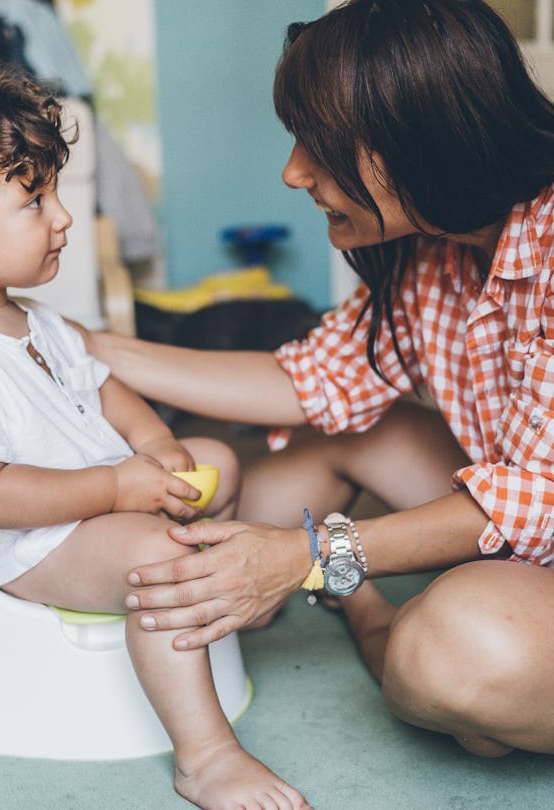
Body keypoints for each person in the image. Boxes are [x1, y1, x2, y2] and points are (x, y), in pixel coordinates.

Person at [0, 61, 312, 810]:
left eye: (54, 191)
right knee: (160, 559)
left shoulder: (36, 319)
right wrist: (121, 486)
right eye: (35, 200)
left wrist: (154, 446)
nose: (62, 218)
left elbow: (110, 391)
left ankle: (221, 600)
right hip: (34, 544)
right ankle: (208, 757)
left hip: (103, 505)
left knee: (215, 457)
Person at [86, 0, 554, 759]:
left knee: (453, 655)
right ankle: (352, 592)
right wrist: (88, 346)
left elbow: (541, 496)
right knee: (305, 466)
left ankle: (370, 616)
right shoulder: (437, 245)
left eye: (321, 145)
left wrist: (308, 557)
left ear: (422, 138)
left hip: (537, 515)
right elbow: (307, 379)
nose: (293, 171)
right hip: (527, 517)